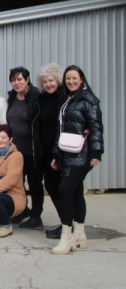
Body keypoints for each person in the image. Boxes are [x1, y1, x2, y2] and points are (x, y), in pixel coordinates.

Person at [50, 66, 103, 255]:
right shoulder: (67, 99)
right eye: (67, 78)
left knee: (64, 189)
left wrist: (96, 152)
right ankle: (80, 234)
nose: (71, 81)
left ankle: (67, 236)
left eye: (74, 78)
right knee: (76, 192)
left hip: (82, 154)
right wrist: (56, 154)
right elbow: (61, 129)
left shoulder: (88, 100)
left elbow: (96, 126)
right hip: (67, 153)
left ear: (82, 79)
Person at [6, 66, 43, 229]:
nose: (16, 82)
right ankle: (22, 210)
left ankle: (36, 216)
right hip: (15, 151)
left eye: (20, 79)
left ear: (27, 80)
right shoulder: (12, 97)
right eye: (14, 80)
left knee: (34, 184)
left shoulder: (36, 96)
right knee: (17, 183)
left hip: (32, 150)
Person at [36, 63, 64, 239]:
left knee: (63, 189)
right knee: (51, 186)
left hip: (59, 151)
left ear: (58, 80)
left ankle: (69, 224)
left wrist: (57, 153)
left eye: (51, 80)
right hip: (45, 151)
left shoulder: (64, 98)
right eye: (45, 81)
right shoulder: (43, 98)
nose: (48, 84)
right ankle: (65, 221)